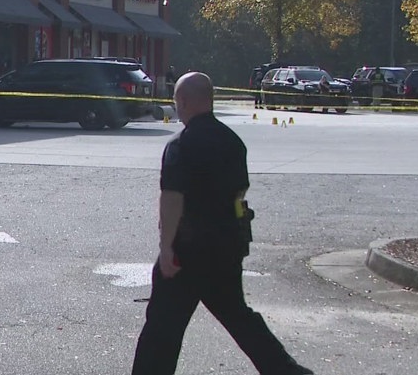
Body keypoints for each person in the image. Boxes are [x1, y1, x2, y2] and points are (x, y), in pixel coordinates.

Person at [130, 71, 314, 375]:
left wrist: (166, 248)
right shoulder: (233, 142)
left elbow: (172, 198)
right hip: (226, 246)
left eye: (177, 101)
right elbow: (239, 194)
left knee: (162, 327)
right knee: (238, 317)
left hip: (187, 252)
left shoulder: (182, 145)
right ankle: (287, 371)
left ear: (185, 102)